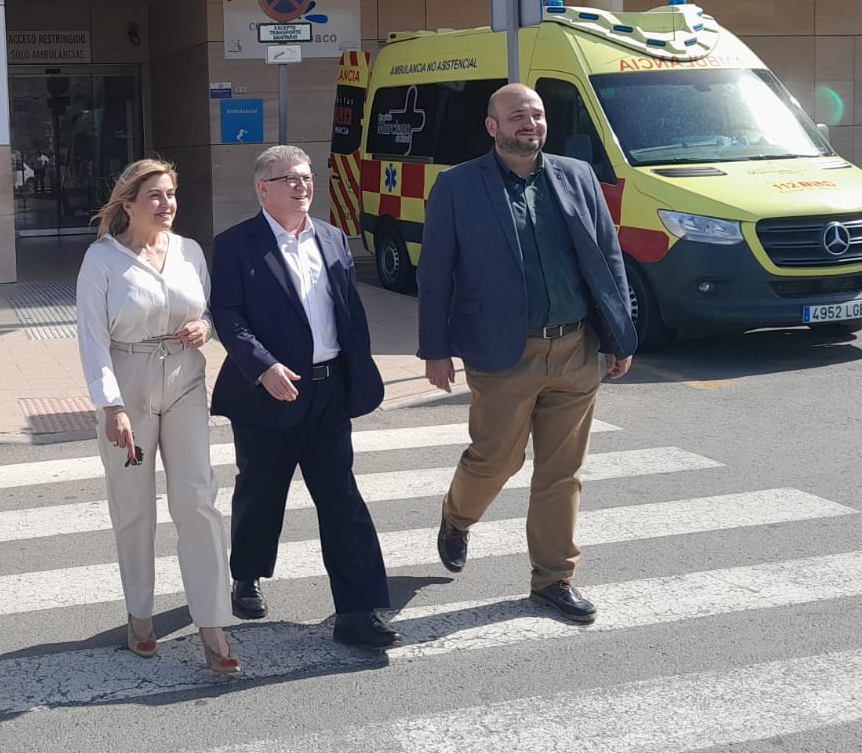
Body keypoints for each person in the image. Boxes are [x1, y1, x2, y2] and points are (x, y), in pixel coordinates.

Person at [417, 83, 637, 624]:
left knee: (563, 472)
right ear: (492, 127)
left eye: (536, 115)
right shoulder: (457, 186)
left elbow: (608, 254)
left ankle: (553, 580)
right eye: (517, 117)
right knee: (497, 459)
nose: (529, 125)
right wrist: (435, 350)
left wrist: (620, 334)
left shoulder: (576, 175)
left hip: (576, 348)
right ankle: (457, 517)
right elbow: (436, 273)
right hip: (502, 352)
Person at [210, 145, 398, 650]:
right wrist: (263, 366)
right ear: (262, 188)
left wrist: (357, 374)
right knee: (261, 491)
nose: (302, 186)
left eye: (307, 177)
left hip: (329, 391)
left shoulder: (333, 237)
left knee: (342, 499)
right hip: (271, 392)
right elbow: (227, 315)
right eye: (289, 178)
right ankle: (246, 574)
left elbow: (349, 313)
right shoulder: (236, 244)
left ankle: (359, 612)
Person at [75, 158, 240, 673]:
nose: (167, 204)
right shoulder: (102, 261)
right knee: (135, 507)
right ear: (128, 205)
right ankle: (140, 614)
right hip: (129, 382)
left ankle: (212, 624)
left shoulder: (189, 251)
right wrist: (111, 405)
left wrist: (204, 328)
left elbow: (205, 310)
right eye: (155, 196)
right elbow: (92, 340)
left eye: (171, 194)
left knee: (198, 499)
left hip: (186, 380)